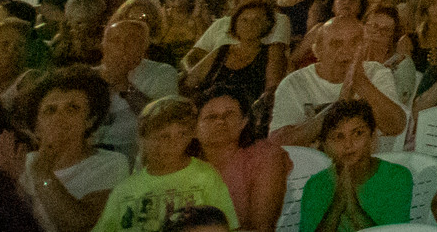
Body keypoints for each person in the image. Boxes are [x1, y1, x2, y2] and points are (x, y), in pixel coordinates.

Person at [5, 68, 131, 232]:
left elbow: (79, 225)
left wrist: (42, 173)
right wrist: (9, 183)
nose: (59, 118)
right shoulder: (22, 162)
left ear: (90, 121)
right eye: (50, 110)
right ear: (36, 127)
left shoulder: (111, 163)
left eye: (72, 108)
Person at [92, 98, 237, 232]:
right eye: (164, 136)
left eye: (182, 134)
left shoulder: (206, 176)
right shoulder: (124, 190)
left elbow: (228, 226)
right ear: (144, 139)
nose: (173, 143)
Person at [268, 18, 405, 146]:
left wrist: (361, 83)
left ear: (364, 47)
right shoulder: (295, 83)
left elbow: (396, 126)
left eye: (355, 43)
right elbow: (278, 142)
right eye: (336, 44)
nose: (346, 51)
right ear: (318, 51)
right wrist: (337, 107)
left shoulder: (376, 73)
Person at [297, 98, 415, 232]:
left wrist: (353, 207)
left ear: (372, 136)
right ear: (324, 145)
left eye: (358, 133)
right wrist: (337, 205)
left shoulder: (397, 177)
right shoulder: (316, 185)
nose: (348, 145)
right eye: (338, 137)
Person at [193, 88, 290, 232]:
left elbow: (262, 227)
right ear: (194, 128)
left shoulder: (265, 155)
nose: (220, 121)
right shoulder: (185, 162)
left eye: (229, 114)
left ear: (244, 121)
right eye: (211, 117)